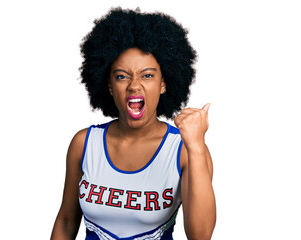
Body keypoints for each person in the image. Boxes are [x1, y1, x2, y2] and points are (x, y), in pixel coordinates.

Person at [51, 8, 216, 240]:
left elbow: (200, 236)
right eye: (121, 76)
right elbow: (66, 222)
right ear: (109, 86)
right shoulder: (84, 143)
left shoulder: (184, 150)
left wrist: (197, 145)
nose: (134, 85)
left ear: (163, 84)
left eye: (147, 75)